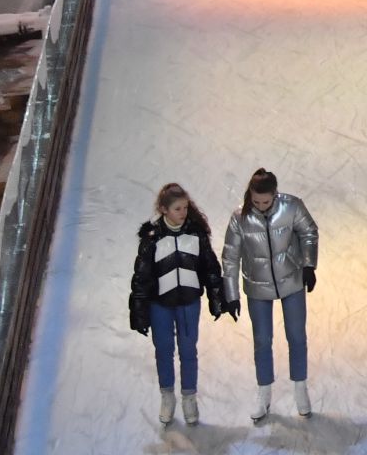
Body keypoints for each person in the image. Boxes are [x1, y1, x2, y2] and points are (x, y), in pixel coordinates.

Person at [221, 169, 318, 422]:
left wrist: (308, 265)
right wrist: (230, 294)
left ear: (275, 194)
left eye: (266, 201)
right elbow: (230, 256)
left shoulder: (292, 206)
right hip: (257, 286)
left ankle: (300, 390)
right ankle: (264, 393)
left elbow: (309, 232)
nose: (261, 206)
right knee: (262, 340)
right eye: (256, 202)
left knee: (297, 336)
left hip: (292, 280)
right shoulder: (239, 218)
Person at [129, 182, 226, 427]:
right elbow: (141, 278)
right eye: (177, 208)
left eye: (184, 207)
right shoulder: (152, 240)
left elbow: (210, 269)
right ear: (164, 209)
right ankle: (167, 396)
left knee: (188, 351)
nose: (183, 212)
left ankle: (189, 397)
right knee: (163, 351)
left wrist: (217, 298)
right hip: (160, 306)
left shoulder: (196, 235)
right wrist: (139, 313)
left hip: (188, 304)